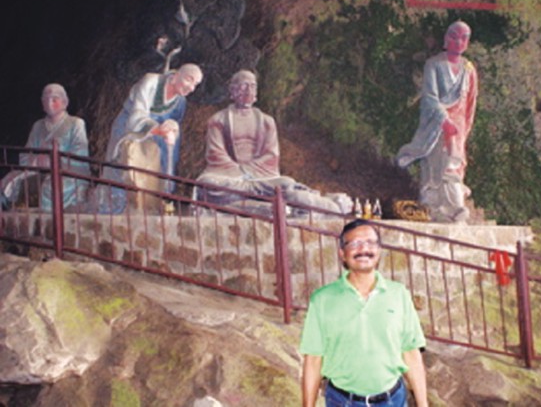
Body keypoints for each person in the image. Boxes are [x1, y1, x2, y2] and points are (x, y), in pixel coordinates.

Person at [300, 219, 428, 407]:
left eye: (370, 242)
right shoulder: (322, 300)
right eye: (355, 244)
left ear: (379, 251)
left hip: (393, 400)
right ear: (342, 254)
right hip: (342, 401)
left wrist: (423, 404)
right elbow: (313, 360)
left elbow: (410, 352)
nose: (363, 249)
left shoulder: (398, 294)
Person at [194, 70, 351, 215]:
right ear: (233, 90)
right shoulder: (218, 120)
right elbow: (216, 154)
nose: (248, 90)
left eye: (253, 86)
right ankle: (265, 204)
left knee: (285, 183)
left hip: (259, 178)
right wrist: (240, 173)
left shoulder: (266, 121)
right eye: (244, 85)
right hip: (229, 177)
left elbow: (271, 155)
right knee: (208, 185)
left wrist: (249, 174)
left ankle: (248, 204)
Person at [396, 21, 478, 223]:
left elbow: (470, 104)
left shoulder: (469, 69)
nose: (458, 42)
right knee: (436, 166)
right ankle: (434, 207)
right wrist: (444, 120)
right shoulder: (434, 64)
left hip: (458, 128)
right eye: (454, 36)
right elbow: (430, 98)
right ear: (446, 39)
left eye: (464, 38)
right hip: (436, 124)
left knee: (453, 165)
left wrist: (463, 129)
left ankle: (455, 207)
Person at [98, 63, 203, 213]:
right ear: (175, 76)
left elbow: (174, 122)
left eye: (195, 84)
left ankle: (156, 203)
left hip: (157, 138)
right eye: (189, 79)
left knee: (165, 156)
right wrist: (158, 130)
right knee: (124, 167)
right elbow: (136, 116)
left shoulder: (181, 102)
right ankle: (116, 208)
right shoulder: (151, 82)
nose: (191, 88)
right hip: (130, 129)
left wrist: (171, 128)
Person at [1, 83, 89, 211]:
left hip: (68, 172)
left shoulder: (76, 123)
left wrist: (55, 161)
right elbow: (27, 152)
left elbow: (80, 154)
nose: (49, 103)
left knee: (51, 187)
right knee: (8, 182)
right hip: (37, 170)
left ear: (65, 102)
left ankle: (52, 220)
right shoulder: (38, 126)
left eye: (54, 99)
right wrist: (35, 160)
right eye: (46, 100)